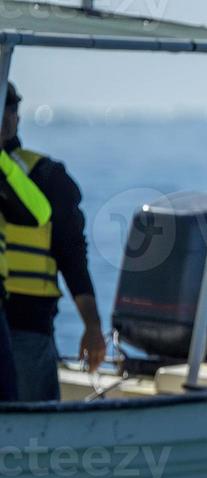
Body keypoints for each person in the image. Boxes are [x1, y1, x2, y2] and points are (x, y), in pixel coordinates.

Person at [0, 82, 104, 402]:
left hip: (25, 326)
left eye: (12, 107)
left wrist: (92, 325)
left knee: (30, 428)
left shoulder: (45, 175)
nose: (6, 115)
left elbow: (72, 254)